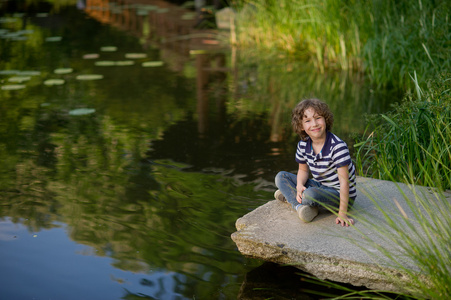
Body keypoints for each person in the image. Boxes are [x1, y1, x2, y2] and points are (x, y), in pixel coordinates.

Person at [274, 98, 356, 226]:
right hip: (321, 186)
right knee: (281, 177)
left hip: (339, 194)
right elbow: (303, 170)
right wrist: (299, 184)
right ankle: (301, 208)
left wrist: (342, 213)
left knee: (310, 194)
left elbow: (344, 183)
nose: (314, 124)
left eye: (318, 118)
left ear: (326, 120)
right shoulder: (303, 145)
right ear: (301, 126)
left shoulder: (337, 146)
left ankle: (293, 198)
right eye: (307, 121)